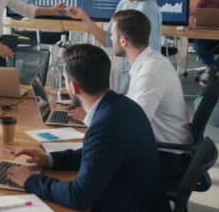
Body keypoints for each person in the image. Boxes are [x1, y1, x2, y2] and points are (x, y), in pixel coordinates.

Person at [6, 44, 170, 212]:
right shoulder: (123, 106)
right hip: (147, 210)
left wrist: (30, 181)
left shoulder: (104, 126)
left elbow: (79, 197)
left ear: (74, 87)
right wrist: (49, 160)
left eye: (65, 80)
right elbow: (95, 154)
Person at [69, 10, 192, 145]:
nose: (110, 39)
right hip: (153, 144)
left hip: (167, 153)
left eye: (112, 35)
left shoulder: (150, 74)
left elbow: (131, 126)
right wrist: (93, 107)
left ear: (123, 41)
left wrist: (91, 117)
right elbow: (128, 110)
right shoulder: (150, 61)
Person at [67, 0, 162, 94]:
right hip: (128, 73)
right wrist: (83, 17)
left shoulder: (146, 9)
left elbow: (147, 52)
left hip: (143, 75)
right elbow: (107, 40)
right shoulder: (124, 4)